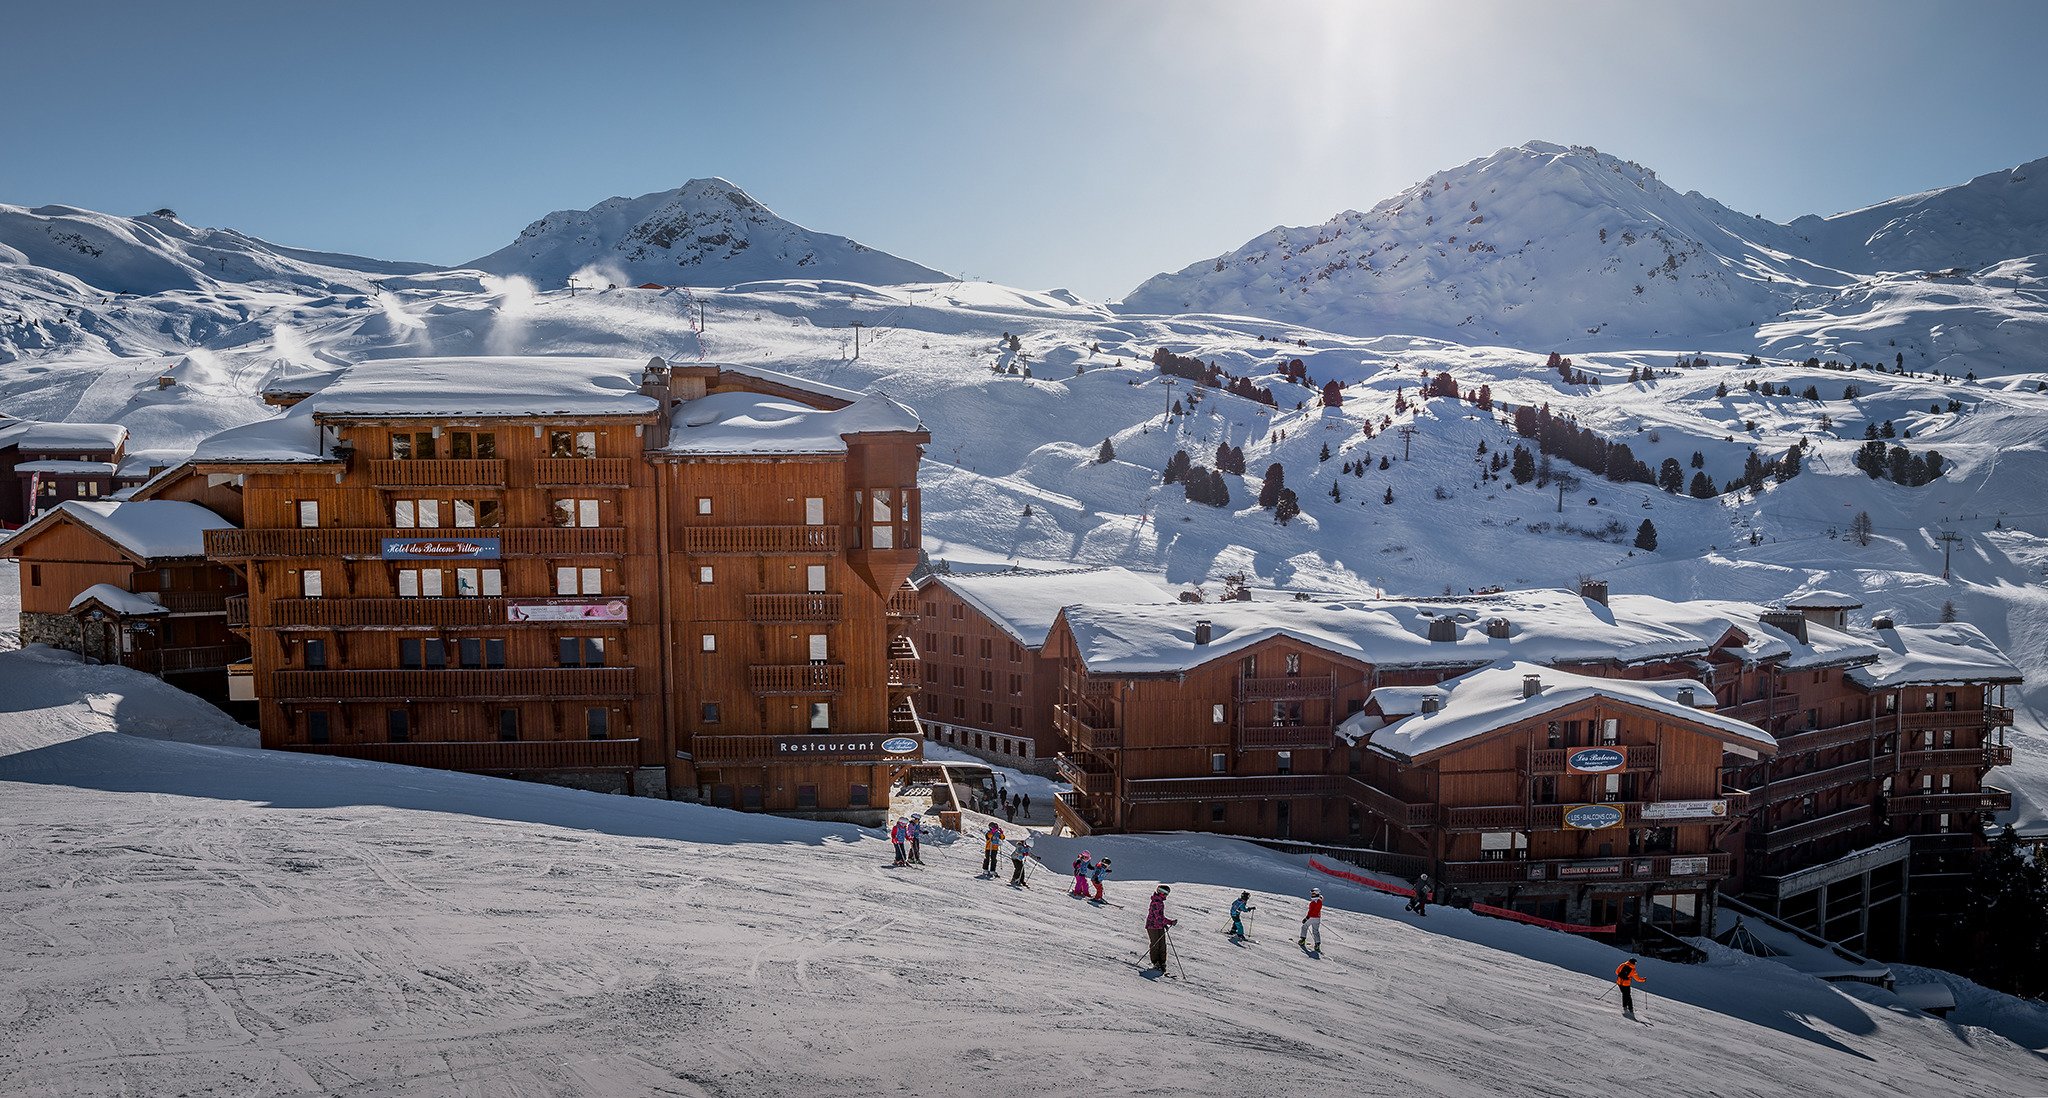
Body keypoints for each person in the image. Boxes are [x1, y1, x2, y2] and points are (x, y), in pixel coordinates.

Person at [1145, 885, 1178, 971]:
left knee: (1162, 945)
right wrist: (1170, 922)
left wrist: (1164, 924)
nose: (1166, 895)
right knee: (1155, 944)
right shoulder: (1156, 902)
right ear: (1161, 892)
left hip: (1159, 926)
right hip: (1152, 926)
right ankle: (1156, 962)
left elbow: (1160, 917)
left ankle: (1162, 962)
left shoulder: (1159, 902)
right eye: (1166, 893)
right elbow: (1158, 917)